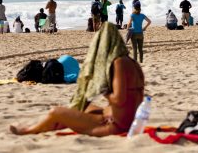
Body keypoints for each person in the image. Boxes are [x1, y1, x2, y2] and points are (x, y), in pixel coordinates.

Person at [10, 22, 144, 137]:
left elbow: (119, 100)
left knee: (55, 111)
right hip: (128, 120)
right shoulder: (132, 63)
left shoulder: (119, 63)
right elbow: (132, 98)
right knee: (82, 106)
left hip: (114, 125)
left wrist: (103, 89)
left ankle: (30, 131)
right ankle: (55, 123)